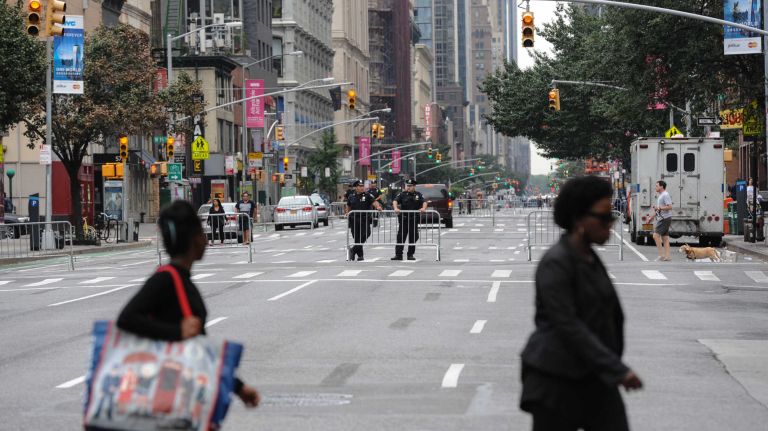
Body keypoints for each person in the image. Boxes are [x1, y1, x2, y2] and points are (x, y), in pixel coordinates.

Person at [520, 176, 642, 431]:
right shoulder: (557, 262)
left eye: (612, 217)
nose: (610, 224)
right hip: (555, 380)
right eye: (604, 217)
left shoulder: (589, 257)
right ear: (578, 219)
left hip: (595, 378)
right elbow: (567, 325)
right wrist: (616, 368)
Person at [117, 201, 260, 411]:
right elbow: (126, 319)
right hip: (167, 397)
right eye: (202, 232)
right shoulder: (166, 279)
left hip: (180, 394)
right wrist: (177, 331)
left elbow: (199, 347)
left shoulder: (181, 279)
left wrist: (238, 387)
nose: (206, 238)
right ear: (194, 239)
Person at [345, 179, 382, 261]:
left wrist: (378, 207)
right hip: (354, 219)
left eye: (362, 186)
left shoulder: (367, 195)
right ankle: (360, 256)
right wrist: (347, 213)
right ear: (356, 187)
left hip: (364, 219)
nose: (362, 188)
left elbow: (374, 202)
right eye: (360, 186)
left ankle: (353, 250)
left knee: (367, 234)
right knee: (357, 237)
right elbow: (348, 206)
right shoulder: (351, 196)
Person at [391, 179, 427, 260]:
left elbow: (424, 202)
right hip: (404, 219)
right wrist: (396, 208)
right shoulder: (402, 194)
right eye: (408, 186)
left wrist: (423, 208)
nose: (409, 187)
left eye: (410, 186)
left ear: (414, 186)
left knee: (413, 237)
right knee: (400, 237)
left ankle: (410, 254)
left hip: (413, 219)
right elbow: (395, 201)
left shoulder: (418, 195)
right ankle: (398, 255)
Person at [650, 180, 673, 261]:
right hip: (664, 217)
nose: (655, 187)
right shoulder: (661, 195)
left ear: (661, 186)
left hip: (664, 218)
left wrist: (659, 208)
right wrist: (652, 217)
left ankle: (661, 255)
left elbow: (670, 207)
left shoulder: (665, 195)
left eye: (657, 186)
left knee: (655, 236)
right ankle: (668, 256)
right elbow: (659, 209)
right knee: (665, 238)